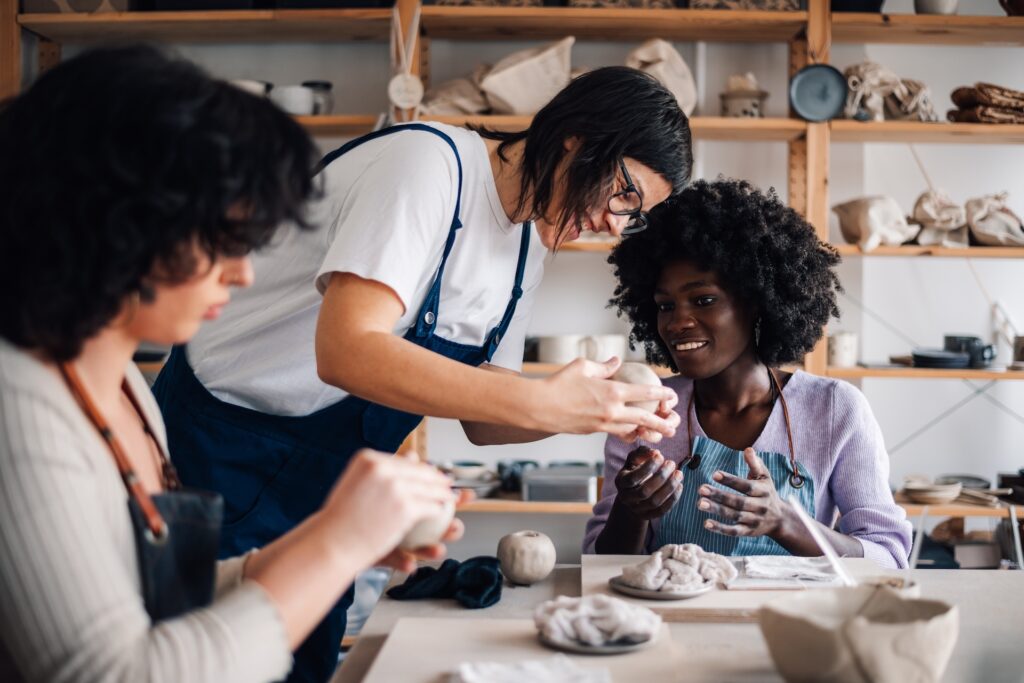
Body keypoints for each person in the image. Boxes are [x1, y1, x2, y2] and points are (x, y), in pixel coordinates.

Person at [152, 66, 693, 676]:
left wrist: (596, 409)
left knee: (300, 666)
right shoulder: (429, 166)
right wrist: (544, 403)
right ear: (577, 137)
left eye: (637, 214)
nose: (616, 225)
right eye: (624, 194)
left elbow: (484, 421)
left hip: (324, 482)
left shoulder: (526, 244)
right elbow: (348, 350)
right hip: (216, 449)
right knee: (201, 662)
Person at [0, 45, 462, 683]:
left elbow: (152, 597)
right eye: (224, 239)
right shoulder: (17, 405)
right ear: (120, 220)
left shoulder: (128, 387)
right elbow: (114, 673)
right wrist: (337, 545)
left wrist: (323, 538)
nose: (242, 272)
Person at [584, 179, 912, 568]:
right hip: (678, 623)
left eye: (703, 300)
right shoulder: (643, 410)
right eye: (665, 306)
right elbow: (598, 564)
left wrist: (789, 523)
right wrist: (632, 509)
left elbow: (888, 556)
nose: (676, 322)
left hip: (795, 625)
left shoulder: (835, 409)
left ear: (756, 302)